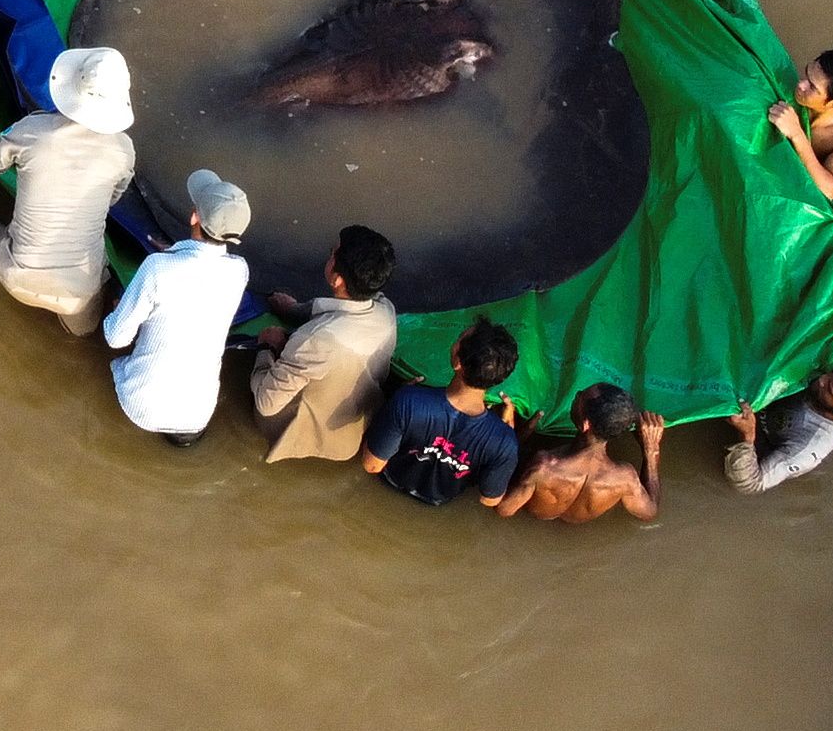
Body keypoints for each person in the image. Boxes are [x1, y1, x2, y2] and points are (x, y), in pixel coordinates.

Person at [0, 46, 136, 334]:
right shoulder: (123, 151)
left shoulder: (33, 130)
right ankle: (75, 331)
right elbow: (113, 199)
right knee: (81, 331)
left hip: (17, 277)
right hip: (77, 294)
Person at [101, 169, 251, 446]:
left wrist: (118, 305)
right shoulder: (240, 271)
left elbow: (115, 338)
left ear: (194, 217)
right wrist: (173, 251)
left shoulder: (157, 268)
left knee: (116, 297)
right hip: (196, 416)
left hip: (139, 407)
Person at [250, 224, 400, 462]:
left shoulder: (314, 340)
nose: (329, 255)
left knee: (261, 387)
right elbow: (339, 315)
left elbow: (267, 403)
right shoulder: (386, 310)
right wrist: (295, 310)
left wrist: (267, 348)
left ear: (337, 279)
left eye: (333, 253)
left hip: (299, 436)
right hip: (353, 435)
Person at [361, 319, 523, 507]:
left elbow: (371, 466)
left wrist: (392, 401)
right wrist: (506, 435)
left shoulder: (408, 401)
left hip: (388, 483)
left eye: (459, 339)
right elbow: (489, 500)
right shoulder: (504, 441)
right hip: (438, 503)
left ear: (458, 362)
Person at [496, 383, 666, 523]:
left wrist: (519, 436)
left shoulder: (544, 467)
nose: (576, 395)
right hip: (575, 528)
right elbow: (650, 512)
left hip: (534, 522)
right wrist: (651, 451)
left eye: (580, 398)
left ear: (585, 425)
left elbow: (504, 509)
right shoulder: (624, 478)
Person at [725, 355, 833, 495]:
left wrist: (747, 437)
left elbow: (750, 484)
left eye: (829, 389)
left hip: (758, 436)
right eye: (832, 374)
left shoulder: (809, 447)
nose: (821, 379)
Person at [770, 48, 833, 200]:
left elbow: (828, 191)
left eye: (812, 87)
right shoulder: (789, 91)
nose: (800, 84)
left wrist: (796, 133)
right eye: (806, 73)